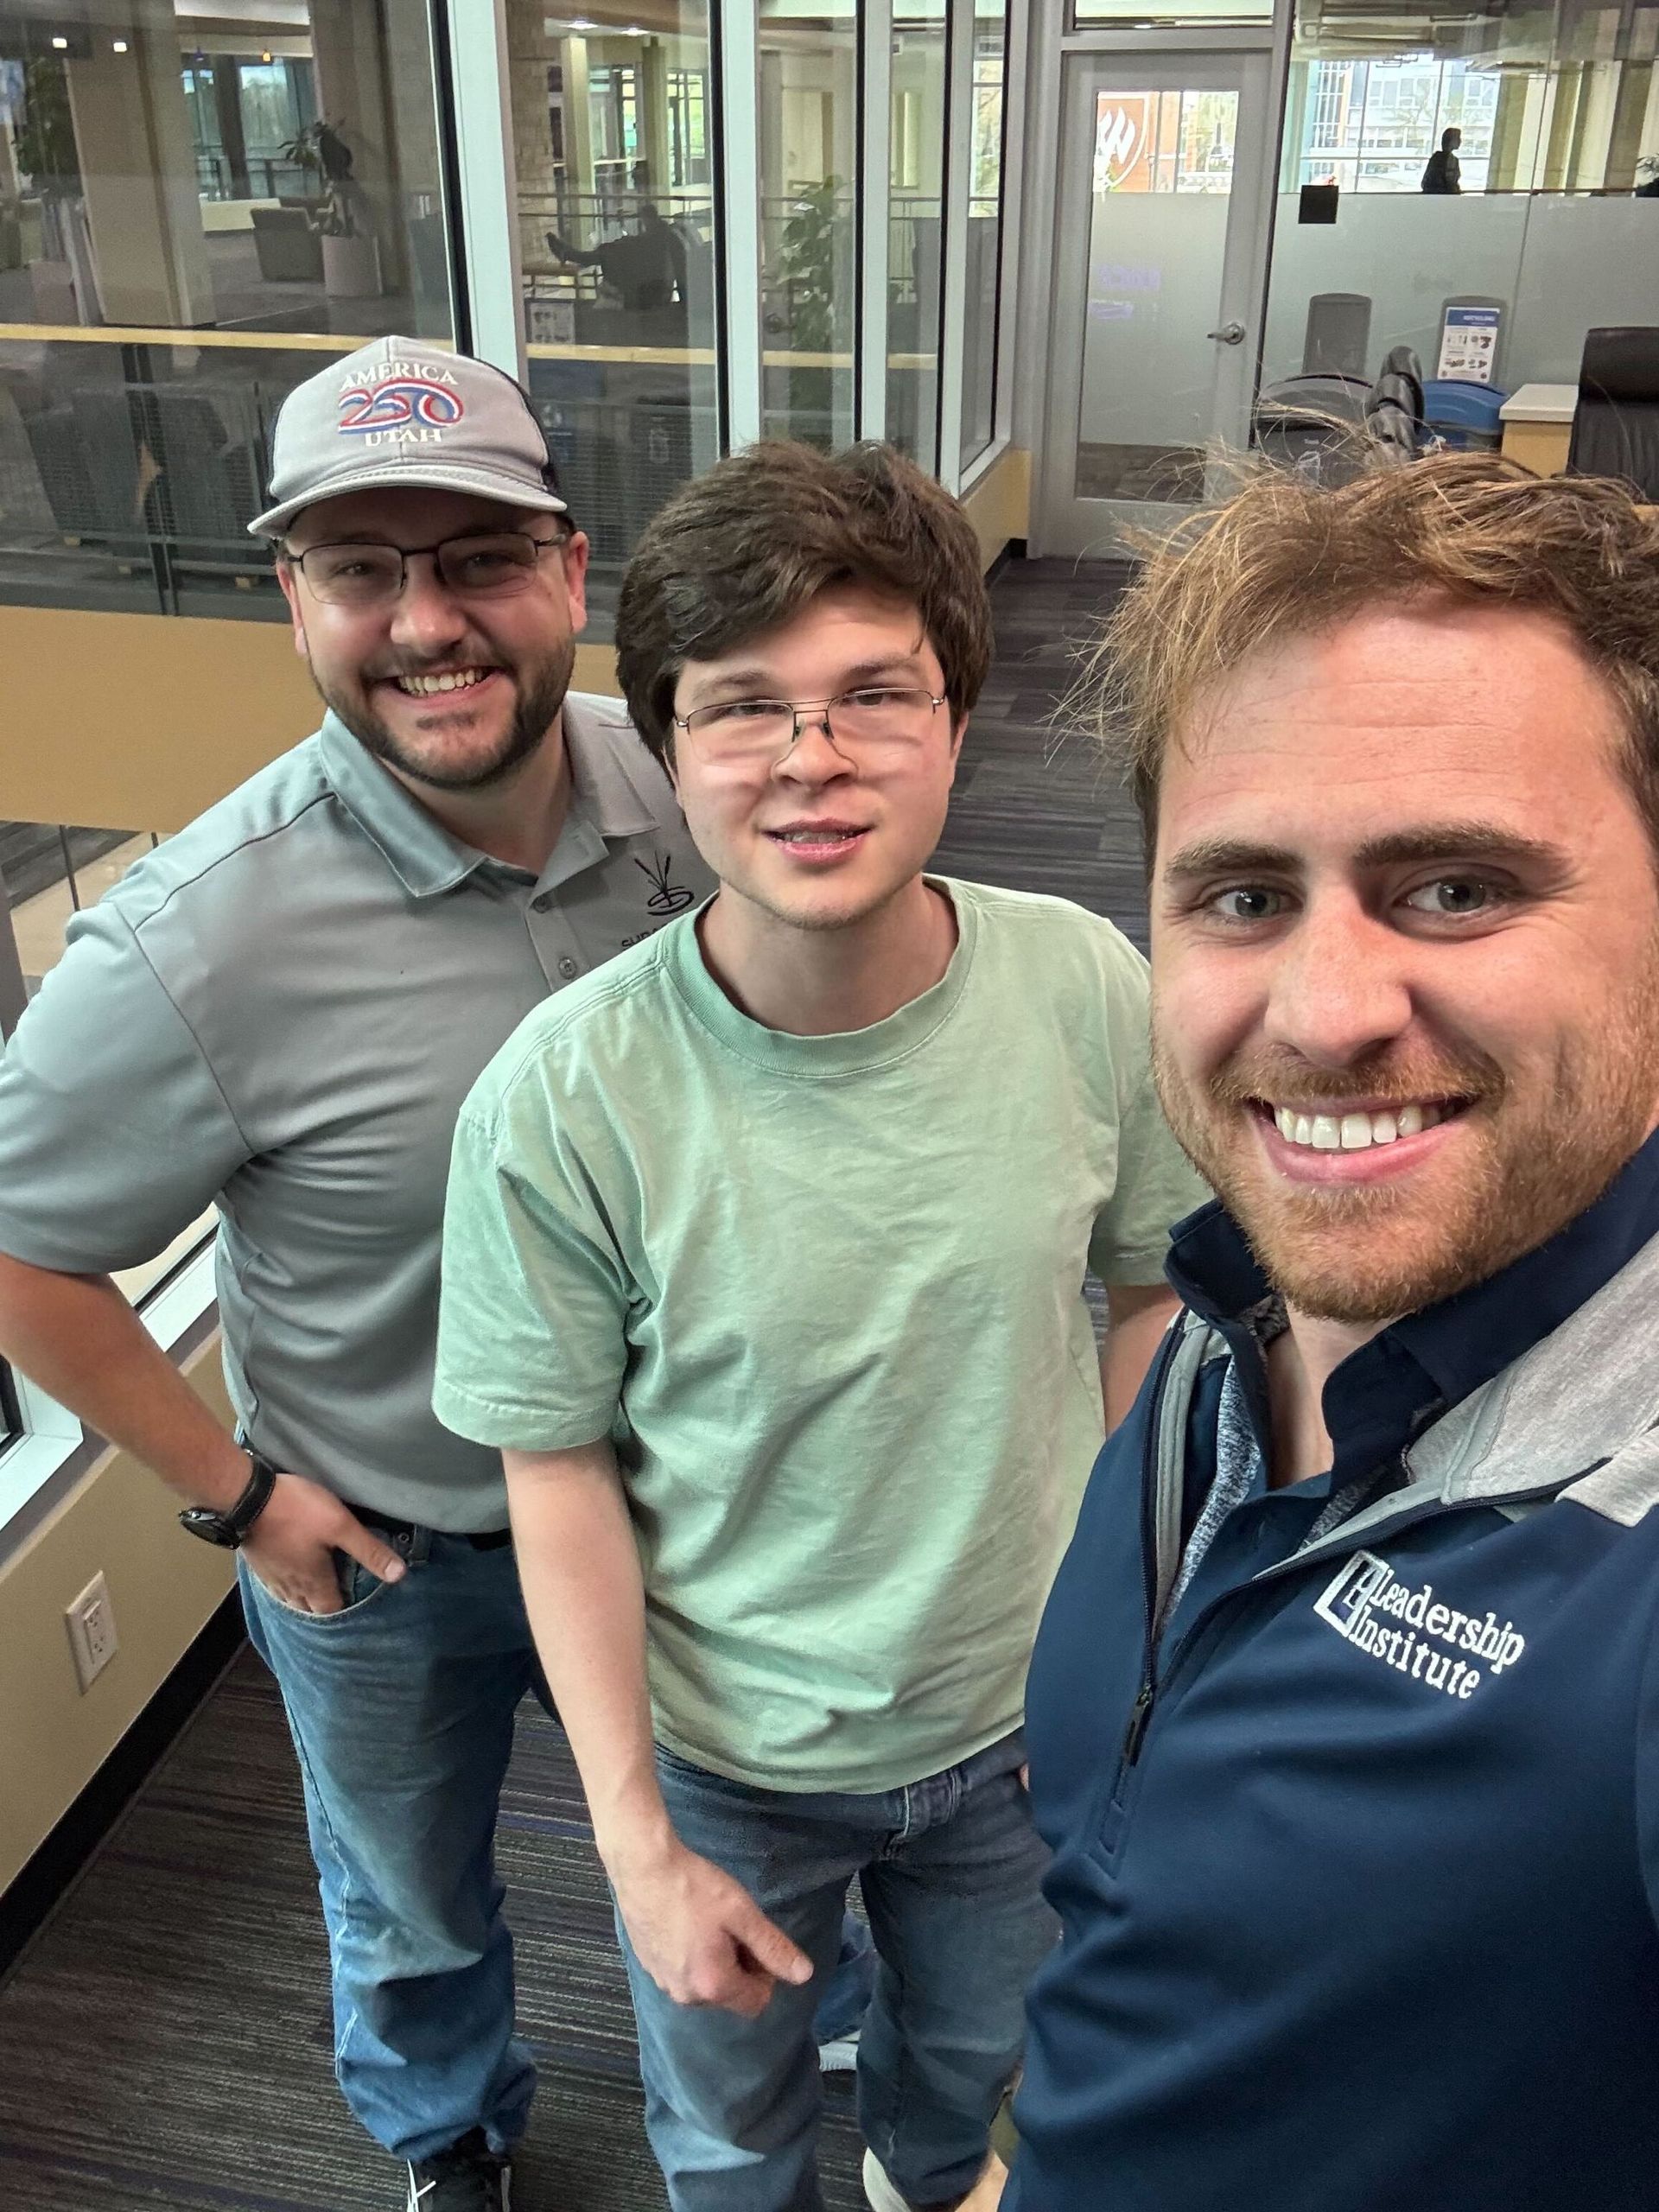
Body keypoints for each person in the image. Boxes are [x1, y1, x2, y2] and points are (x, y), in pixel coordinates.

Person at [432, 439, 1205, 2212]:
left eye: (874, 695)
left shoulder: (1085, 984)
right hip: (728, 1759)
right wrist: (634, 1841)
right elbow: (553, 1470)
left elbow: (1159, 1282)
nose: (813, 758)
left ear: (957, 720)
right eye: (743, 708)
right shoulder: (564, 1097)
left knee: (971, 2095)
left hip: (1020, 1718)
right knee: (726, 2137)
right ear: (668, 744)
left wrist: (1121, 1610)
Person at [0, 335, 725, 2211]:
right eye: (360, 569)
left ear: (570, 565)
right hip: (401, 1553)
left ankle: (747, 2132)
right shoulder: (198, 940)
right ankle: (452, 2142)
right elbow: (19, 1246)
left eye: (480, 557)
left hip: (697, 1507)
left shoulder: (694, 799)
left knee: (730, 1854)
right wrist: (237, 1493)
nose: (427, 621)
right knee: (411, 1904)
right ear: (293, 601)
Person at [1007, 454, 1659, 2212]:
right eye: (1242, 897)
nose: (1324, 1011)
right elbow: (1134, 1906)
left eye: (1455, 887)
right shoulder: (1229, 1313)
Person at [1421, 124, 1462, 193]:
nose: (1460, 141)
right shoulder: (1437, 159)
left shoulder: (1455, 160)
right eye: (1457, 138)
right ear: (1450, 140)